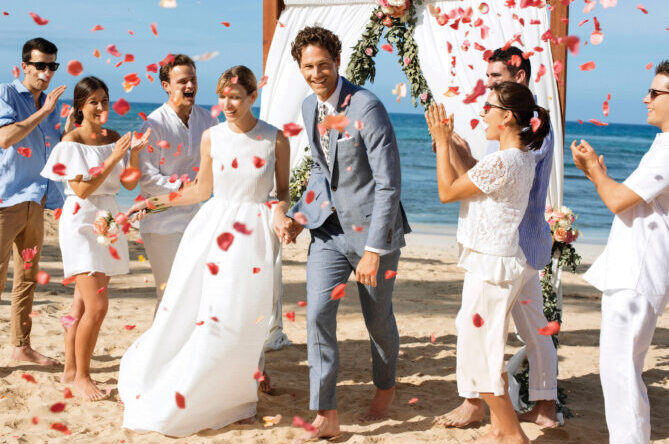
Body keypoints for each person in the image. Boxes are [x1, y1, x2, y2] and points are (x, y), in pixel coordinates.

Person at [117, 65, 292, 436]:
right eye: (223, 97)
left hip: (256, 237)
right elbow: (200, 190)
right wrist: (154, 203)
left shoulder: (274, 139)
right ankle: (210, 395)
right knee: (217, 312)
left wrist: (280, 213)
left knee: (248, 317)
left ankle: (241, 398)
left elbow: (282, 192)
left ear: (251, 98)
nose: (228, 104)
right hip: (215, 231)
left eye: (236, 97)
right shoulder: (212, 137)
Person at [285, 26, 411, 441]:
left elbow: (389, 183)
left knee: (378, 320)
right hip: (329, 231)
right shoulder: (308, 107)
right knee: (318, 313)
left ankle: (386, 384)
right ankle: (326, 413)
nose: (316, 73)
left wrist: (374, 250)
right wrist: (298, 216)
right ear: (300, 68)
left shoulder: (367, 106)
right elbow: (324, 172)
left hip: (375, 232)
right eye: (308, 66)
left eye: (323, 64)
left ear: (337, 61)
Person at [438, 46, 559, 429]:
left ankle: (521, 416)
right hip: (508, 249)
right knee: (495, 331)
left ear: (518, 77)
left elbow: (470, 184)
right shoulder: (517, 142)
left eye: (493, 81)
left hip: (511, 248)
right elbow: (482, 180)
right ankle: (499, 407)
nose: (486, 89)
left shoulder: (527, 138)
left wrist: (443, 145)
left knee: (492, 336)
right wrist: (457, 148)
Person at [571, 60, 669, 444]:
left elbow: (616, 200)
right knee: (621, 369)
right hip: (637, 268)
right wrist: (596, 173)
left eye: (656, 92)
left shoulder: (667, 151)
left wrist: (594, 170)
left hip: (638, 271)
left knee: (620, 371)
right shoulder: (662, 145)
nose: (646, 99)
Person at [40, 76, 150, 400]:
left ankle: (70, 372)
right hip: (80, 221)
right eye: (93, 102)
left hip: (107, 218)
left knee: (81, 303)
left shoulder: (114, 136)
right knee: (98, 306)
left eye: (104, 100)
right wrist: (114, 157)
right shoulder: (70, 142)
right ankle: (83, 377)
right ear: (80, 107)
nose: (101, 107)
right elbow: (81, 189)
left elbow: (128, 185)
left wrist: (133, 155)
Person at [0, 37, 73, 366]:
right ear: (24, 66)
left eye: (52, 66)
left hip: (37, 200)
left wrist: (67, 131)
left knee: (27, 278)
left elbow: (52, 149)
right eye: (40, 65)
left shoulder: (53, 103)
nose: (46, 72)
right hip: (6, 201)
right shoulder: (7, 94)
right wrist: (43, 112)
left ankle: (21, 347)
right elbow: (5, 137)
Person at [137, 54, 217, 312]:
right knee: (169, 296)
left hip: (198, 219)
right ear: (166, 86)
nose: (189, 86)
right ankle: (159, 353)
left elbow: (219, 164)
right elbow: (147, 177)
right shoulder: (153, 124)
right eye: (182, 81)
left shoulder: (208, 121)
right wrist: (186, 187)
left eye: (192, 80)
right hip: (161, 222)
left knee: (199, 293)